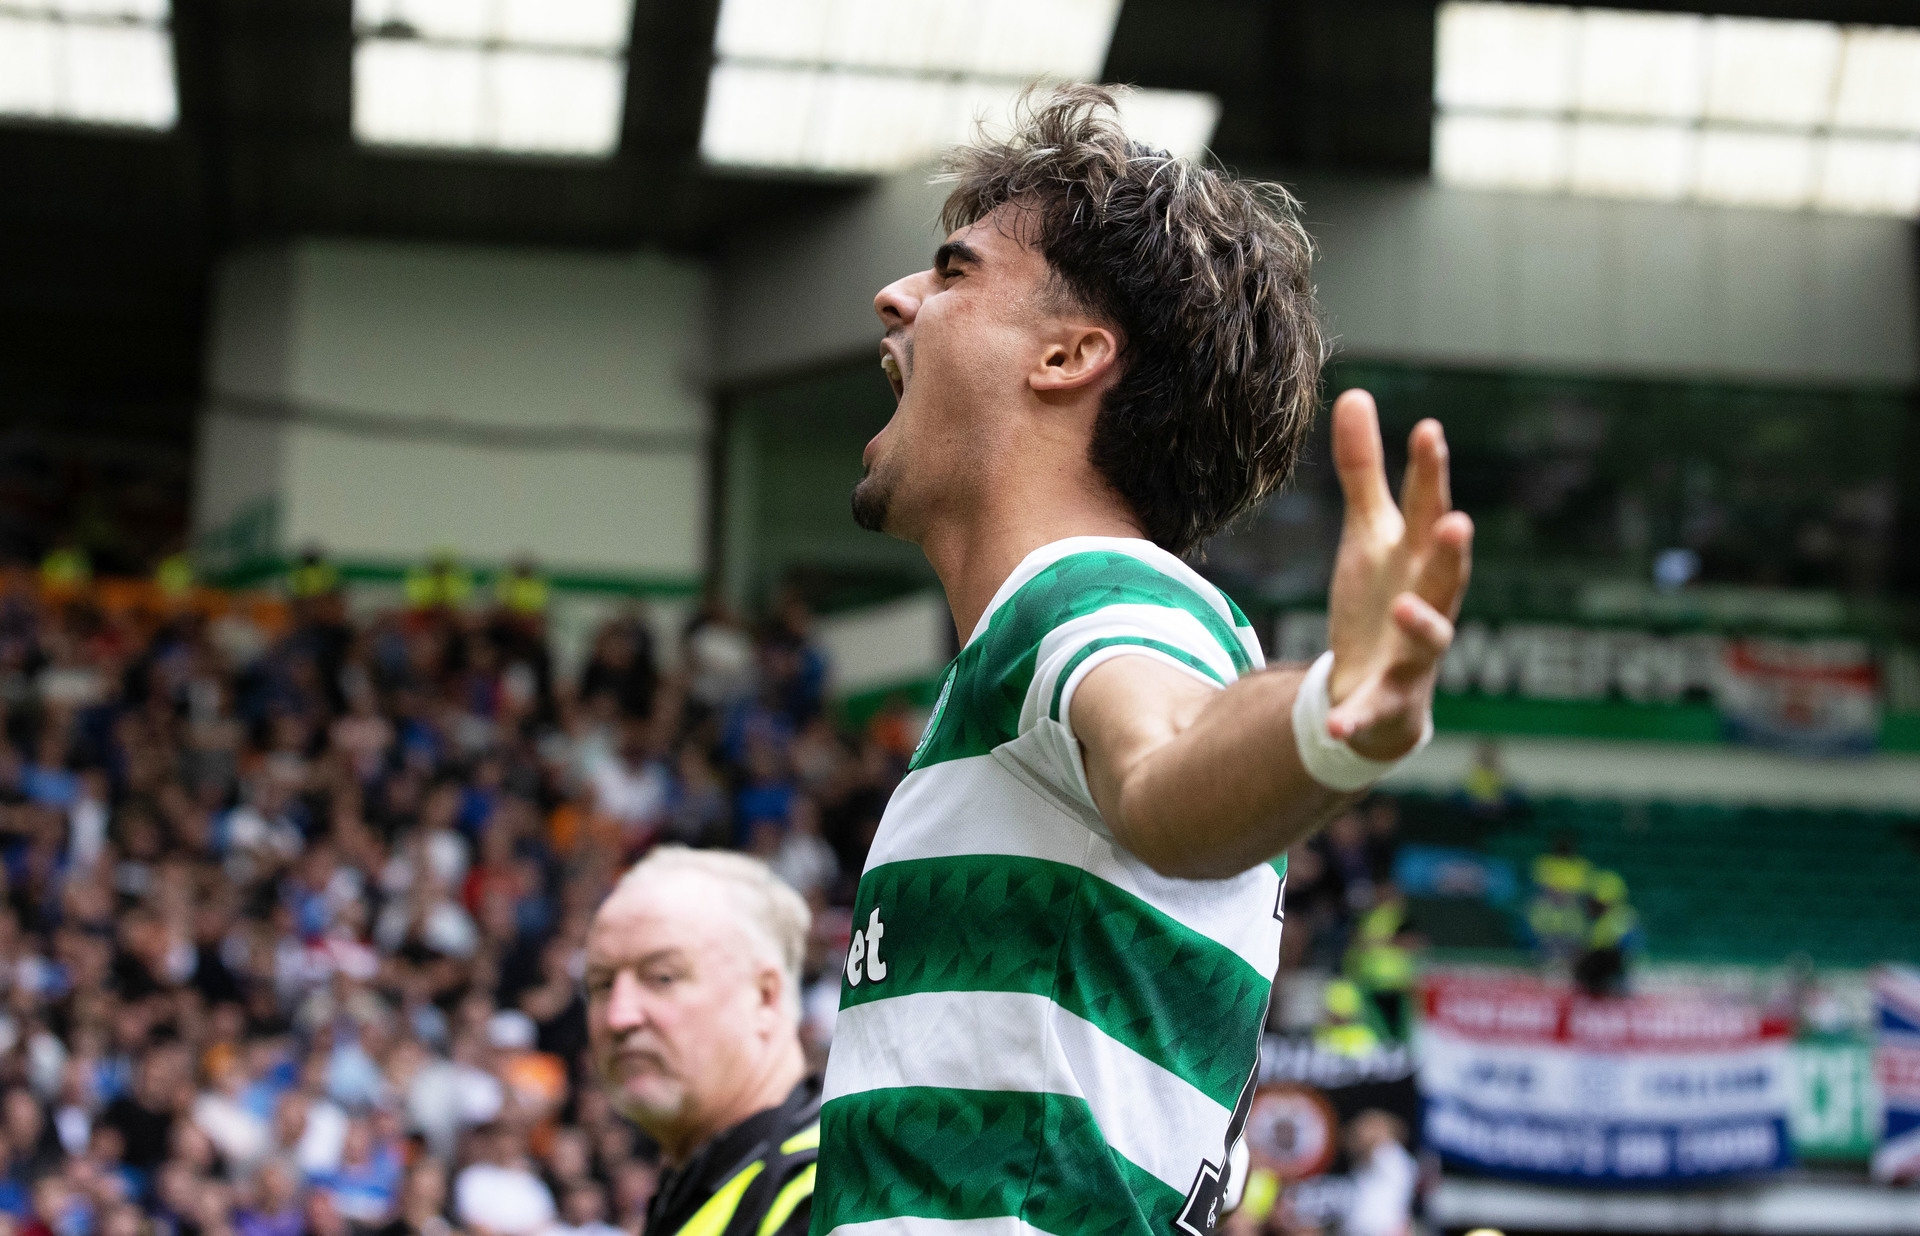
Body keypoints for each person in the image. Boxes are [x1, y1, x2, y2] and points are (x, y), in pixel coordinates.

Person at [812, 84, 1472, 1236]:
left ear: (1069, 355)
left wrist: (1333, 718)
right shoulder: (1065, 638)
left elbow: (1166, 766)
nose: (897, 296)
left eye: (954, 271)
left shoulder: (1089, 593)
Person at [585, 848, 819, 1236]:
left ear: (764, 996)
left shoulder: (835, 1201)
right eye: (601, 984)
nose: (618, 1016)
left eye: (662, 977)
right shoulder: (704, 1183)